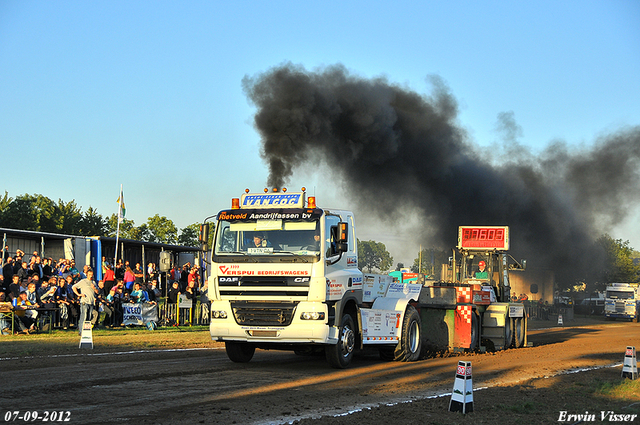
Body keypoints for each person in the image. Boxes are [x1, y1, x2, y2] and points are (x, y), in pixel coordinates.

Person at [72, 269, 97, 334]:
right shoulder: (83, 281)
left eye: (92, 275)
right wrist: (79, 294)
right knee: (84, 316)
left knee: (89, 317)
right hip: (84, 302)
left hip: (91, 302)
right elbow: (74, 287)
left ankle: (87, 332)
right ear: (87, 275)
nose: (91, 276)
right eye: (89, 275)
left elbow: (97, 292)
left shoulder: (93, 282)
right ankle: (81, 331)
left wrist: (94, 288)